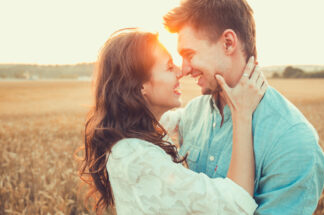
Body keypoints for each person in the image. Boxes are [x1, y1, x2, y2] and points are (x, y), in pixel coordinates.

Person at [163, 0, 324, 214]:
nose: (183, 69)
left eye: (189, 54)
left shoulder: (294, 140)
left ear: (229, 43)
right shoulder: (192, 114)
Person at [79, 28, 267, 214]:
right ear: (140, 86)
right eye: (169, 67)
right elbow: (235, 205)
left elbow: (179, 118)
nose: (180, 72)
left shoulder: (135, 131)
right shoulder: (137, 158)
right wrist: (241, 114)